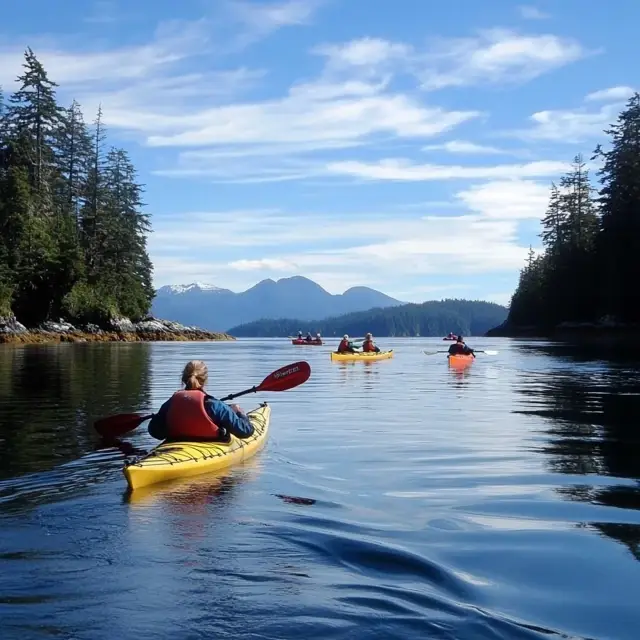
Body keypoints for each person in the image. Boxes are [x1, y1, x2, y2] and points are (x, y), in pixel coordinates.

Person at [148, 360, 255, 442]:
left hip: (176, 443)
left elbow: (155, 432)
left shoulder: (170, 404)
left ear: (183, 379)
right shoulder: (216, 406)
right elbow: (245, 432)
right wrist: (240, 414)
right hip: (210, 446)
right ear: (205, 380)